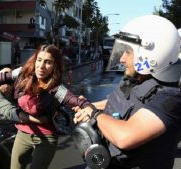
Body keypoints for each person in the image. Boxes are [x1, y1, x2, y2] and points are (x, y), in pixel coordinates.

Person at [73, 15, 181, 169]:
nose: (122, 59)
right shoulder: (137, 80)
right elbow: (117, 100)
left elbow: (125, 137)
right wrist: (86, 104)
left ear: (151, 54)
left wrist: (94, 114)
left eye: (128, 52)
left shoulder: (171, 97)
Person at [0, 44, 96, 169]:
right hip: (23, 133)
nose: (41, 66)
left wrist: (90, 109)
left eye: (48, 62)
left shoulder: (56, 89)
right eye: (39, 60)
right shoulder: (22, 73)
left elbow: (76, 100)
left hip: (46, 137)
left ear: (54, 66)